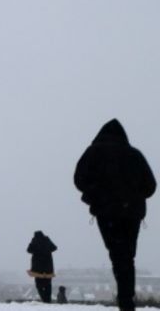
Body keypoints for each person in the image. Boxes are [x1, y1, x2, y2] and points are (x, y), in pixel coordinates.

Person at [74, 119, 156, 311]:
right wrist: (132, 196)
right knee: (127, 256)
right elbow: (150, 186)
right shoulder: (134, 155)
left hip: (106, 211)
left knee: (117, 255)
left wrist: (96, 194)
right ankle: (127, 298)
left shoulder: (92, 153)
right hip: (131, 213)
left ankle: (125, 299)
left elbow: (79, 179)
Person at [27, 231, 57, 303]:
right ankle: (48, 300)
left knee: (39, 285)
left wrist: (33, 242)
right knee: (48, 285)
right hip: (48, 268)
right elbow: (54, 248)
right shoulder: (47, 240)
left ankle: (44, 299)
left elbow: (29, 250)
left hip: (37, 269)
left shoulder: (35, 241)